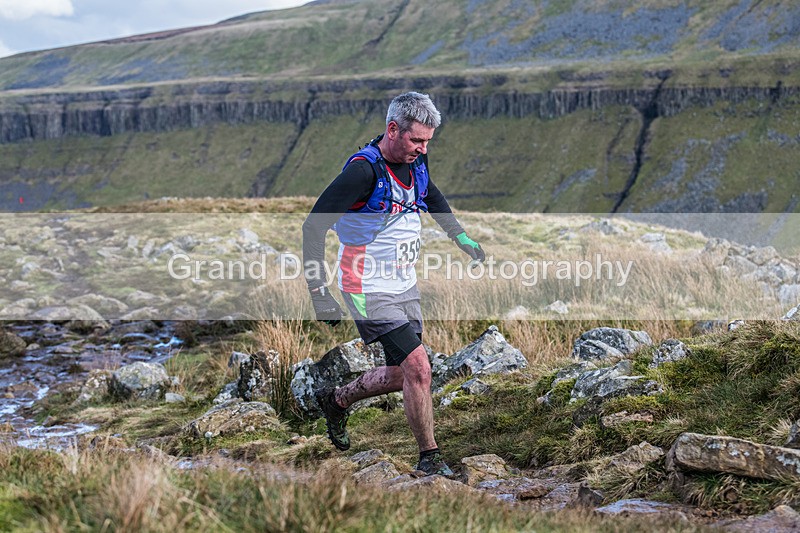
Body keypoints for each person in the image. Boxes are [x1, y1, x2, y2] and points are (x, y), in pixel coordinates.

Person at [301, 91, 484, 477]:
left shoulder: (417, 159)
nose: (422, 148)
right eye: (416, 140)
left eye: (428, 142)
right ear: (392, 129)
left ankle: (336, 400)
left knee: (402, 374)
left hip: (404, 284)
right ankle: (430, 458)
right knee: (419, 366)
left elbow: (430, 193)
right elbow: (313, 226)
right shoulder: (362, 172)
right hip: (365, 286)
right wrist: (320, 293)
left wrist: (461, 238)